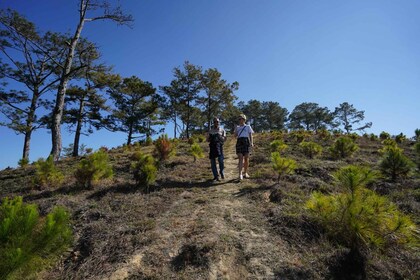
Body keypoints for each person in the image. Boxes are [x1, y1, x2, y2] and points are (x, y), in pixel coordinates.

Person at [234, 114, 254, 180]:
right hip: (239, 141)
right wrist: (235, 130)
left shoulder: (248, 126)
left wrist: (251, 143)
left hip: (246, 141)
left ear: (244, 119)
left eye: (241, 119)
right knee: (240, 158)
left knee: (246, 158)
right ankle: (240, 174)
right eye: (239, 119)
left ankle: (245, 172)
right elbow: (235, 136)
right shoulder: (237, 127)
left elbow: (250, 135)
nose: (240, 120)